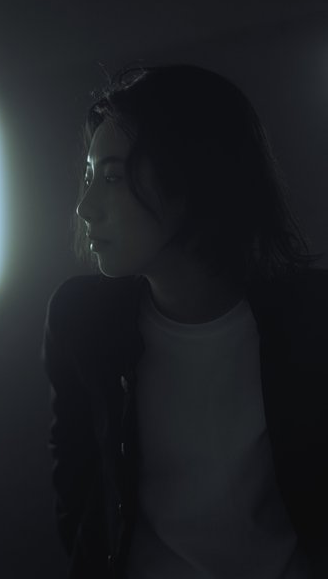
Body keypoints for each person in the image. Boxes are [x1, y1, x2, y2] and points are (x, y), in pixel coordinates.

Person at [41, 65, 328, 579]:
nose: (85, 207)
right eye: (88, 177)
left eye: (112, 177)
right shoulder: (84, 321)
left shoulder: (312, 316)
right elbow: (80, 494)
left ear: (192, 176)